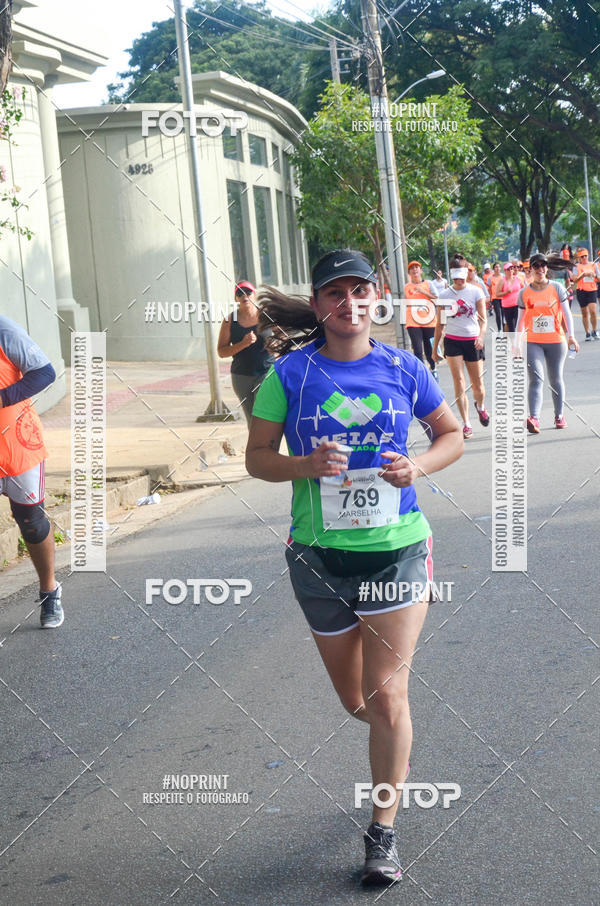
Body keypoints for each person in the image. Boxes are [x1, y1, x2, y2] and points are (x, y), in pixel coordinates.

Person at [246, 249, 463, 886]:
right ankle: (391, 747)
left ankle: (383, 829)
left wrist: (417, 466)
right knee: (356, 700)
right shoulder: (288, 374)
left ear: (378, 299)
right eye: (335, 293)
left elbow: (451, 434)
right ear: (317, 305)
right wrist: (304, 466)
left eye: (361, 291)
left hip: (396, 552)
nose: (350, 303)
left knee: (389, 697)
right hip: (318, 559)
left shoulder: (404, 365)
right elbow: (258, 459)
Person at [0, 315, 62, 627]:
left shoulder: (3, 328)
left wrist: (2, 397)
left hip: (17, 445)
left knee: (31, 522)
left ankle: (49, 590)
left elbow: (44, 373)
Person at [515, 253, 579, 432]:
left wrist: (571, 335)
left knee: (555, 378)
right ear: (531, 270)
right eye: (536, 266)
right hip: (532, 341)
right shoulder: (524, 293)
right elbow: (520, 320)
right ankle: (534, 418)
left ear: (547, 268)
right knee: (536, 378)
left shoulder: (557, 288)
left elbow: (566, 313)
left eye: (543, 266)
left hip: (555, 341)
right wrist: (516, 342)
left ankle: (559, 415)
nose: (540, 269)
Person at [433, 256, 489, 439]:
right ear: (452, 276)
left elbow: (483, 319)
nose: (459, 280)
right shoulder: (444, 295)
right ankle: (466, 423)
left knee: (478, 385)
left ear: (467, 273)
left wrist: (481, 336)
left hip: (473, 341)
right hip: (452, 341)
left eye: (462, 276)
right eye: (456, 277)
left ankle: (480, 406)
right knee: (459, 381)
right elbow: (440, 324)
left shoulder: (476, 292)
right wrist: (435, 349)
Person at [217, 281, 274, 425]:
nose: (244, 296)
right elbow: (221, 351)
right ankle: (257, 447)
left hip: (266, 372)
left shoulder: (266, 316)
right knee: (252, 419)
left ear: (254, 295)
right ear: (235, 298)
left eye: (248, 292)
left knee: (261, 410)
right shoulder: (230, 320)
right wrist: (243, 344)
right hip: (241, 376)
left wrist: (275, 345)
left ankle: (269, 444)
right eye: (239, 293)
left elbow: (283, 337)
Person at [403, 260, 439, 380]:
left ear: (421, 271)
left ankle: (433, 368)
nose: (415, 270)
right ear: (409, 273)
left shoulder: (428, 284)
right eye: (412, 268)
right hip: (412, 321)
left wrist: (423, 292)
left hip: (428, 320)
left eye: (417, 267)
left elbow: (437, 299)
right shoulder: (406, 287)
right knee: (418, 349)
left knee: (429, 350)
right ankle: (422, 376)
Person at [573, 248, 599, 340]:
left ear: (588, 256)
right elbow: (574, 279)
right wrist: (583, 275)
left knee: (593, 311)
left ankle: (594, 331)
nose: (584, 258)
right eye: (582, 256)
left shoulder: (593, 265)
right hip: (581, 290)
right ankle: (587, 333)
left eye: (585, 256)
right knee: (584, 313)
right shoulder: (576, 266)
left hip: (592, 290)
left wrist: (594, 275)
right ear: (579, 257)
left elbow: (599, 278)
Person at [497, 262, 521, 333]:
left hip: (517, 305)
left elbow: (524, 289)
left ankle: (514, 342)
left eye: (511, 268)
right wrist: (506, 292)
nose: (510, 270)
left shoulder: (517, 279)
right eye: (508, 269)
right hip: (507, 306)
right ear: (505, 271)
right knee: (511, 326)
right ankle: (511, 342)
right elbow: (497, 294)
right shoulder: (502, 281)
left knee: (516, 325)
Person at [489, 262, 503, 331]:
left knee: (504, 315)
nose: (497, 268)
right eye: (496, 267)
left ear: (500, 268)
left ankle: (504, 329)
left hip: (503, 297)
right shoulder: (491, 278)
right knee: (498, 314)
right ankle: (499, 329)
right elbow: (489, 289)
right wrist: (490, 299)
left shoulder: (503, 276)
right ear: (493, 269)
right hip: (495, 298)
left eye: (498, 267)